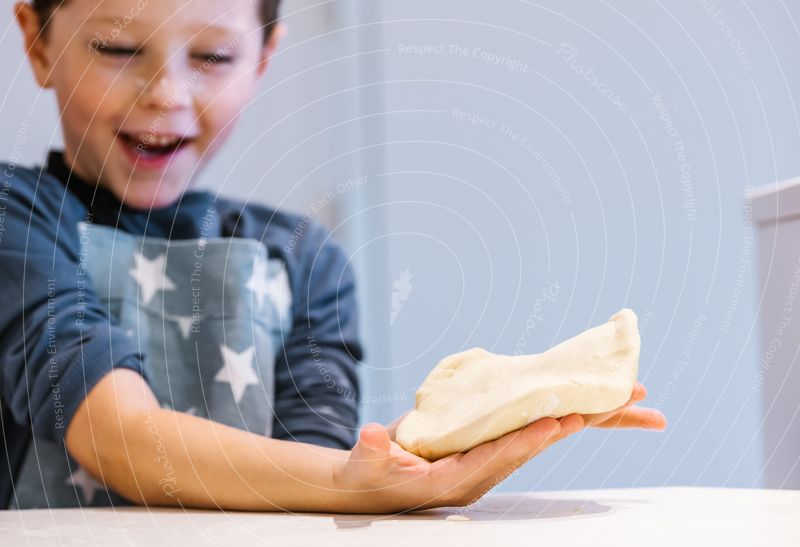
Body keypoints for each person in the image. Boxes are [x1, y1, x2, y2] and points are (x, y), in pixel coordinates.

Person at [0, 0, 667, 513]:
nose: (166, 94)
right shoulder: (14, 217)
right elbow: (115, 433)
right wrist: (358, 486)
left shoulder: (303, 259)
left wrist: (433, 443)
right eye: (118, 48)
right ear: (36, 40)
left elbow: (310, 480)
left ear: (263, 58)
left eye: (211, 58)